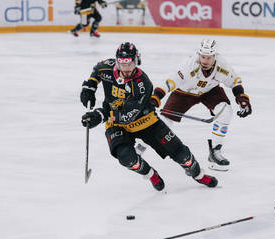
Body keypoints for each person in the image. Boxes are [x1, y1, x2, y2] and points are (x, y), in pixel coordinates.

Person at [80, 42, 218, 191]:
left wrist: (100, 115)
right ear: (117, 62)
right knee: (127, 159)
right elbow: (96, 72)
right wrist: (89, 87)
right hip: (117, 125)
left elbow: (127, 115)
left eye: (130, 64)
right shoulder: (107, 67)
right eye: (122, 65)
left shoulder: (143, 84)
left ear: (136, 61)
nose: (126, 69)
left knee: (183, 156)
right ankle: (151, 174)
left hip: (145, 121)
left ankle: (198, 175)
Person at [149, 39, 252, 171]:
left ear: (215, 56)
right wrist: (157, 95)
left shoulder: (222, 65)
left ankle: (215, 151)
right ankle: (141, 146)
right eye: (202, 56)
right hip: (185, 92)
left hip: (210, 91)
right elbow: (171, 80)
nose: (205, 60)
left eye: (209, 57)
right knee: (164, 121)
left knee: (226, 111)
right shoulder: (189, 65)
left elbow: (234, 80)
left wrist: (242, 98)